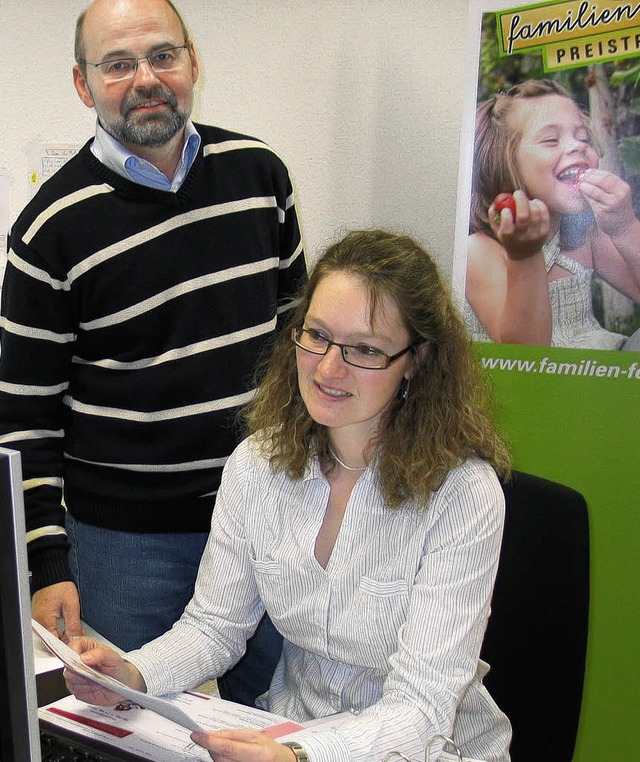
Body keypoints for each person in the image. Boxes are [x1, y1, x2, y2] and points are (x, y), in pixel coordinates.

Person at [65, 229, 513, 762]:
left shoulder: (462, 495)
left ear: (416, 361)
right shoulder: (259, 466)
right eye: (317, 335)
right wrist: (133, 672)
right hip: (288, 732)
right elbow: (214, 627)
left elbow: (420, 708)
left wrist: (301, 755)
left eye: (365, 349)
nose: (328, 368)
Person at [0, 0, 306, 705]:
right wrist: (47, 563)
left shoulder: (261, 177)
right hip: (125, 546)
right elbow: (25, 422)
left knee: (276, 722)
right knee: (124, 726)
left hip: (267, 523)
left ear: (193, 62)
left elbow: (303, 351)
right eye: (117, 64)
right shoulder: (50, 229)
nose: (145, 78)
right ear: (84, 85)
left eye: (163, 55)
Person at [465, 78, 640, 350]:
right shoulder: (479, 250)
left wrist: (625, 228)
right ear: (504, 161)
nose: (577, 146)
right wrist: (524, 256)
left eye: (582, 138)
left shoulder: (584, 236)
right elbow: (525, 354)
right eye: (551, 140)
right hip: (533, 386)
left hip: (598, 372)